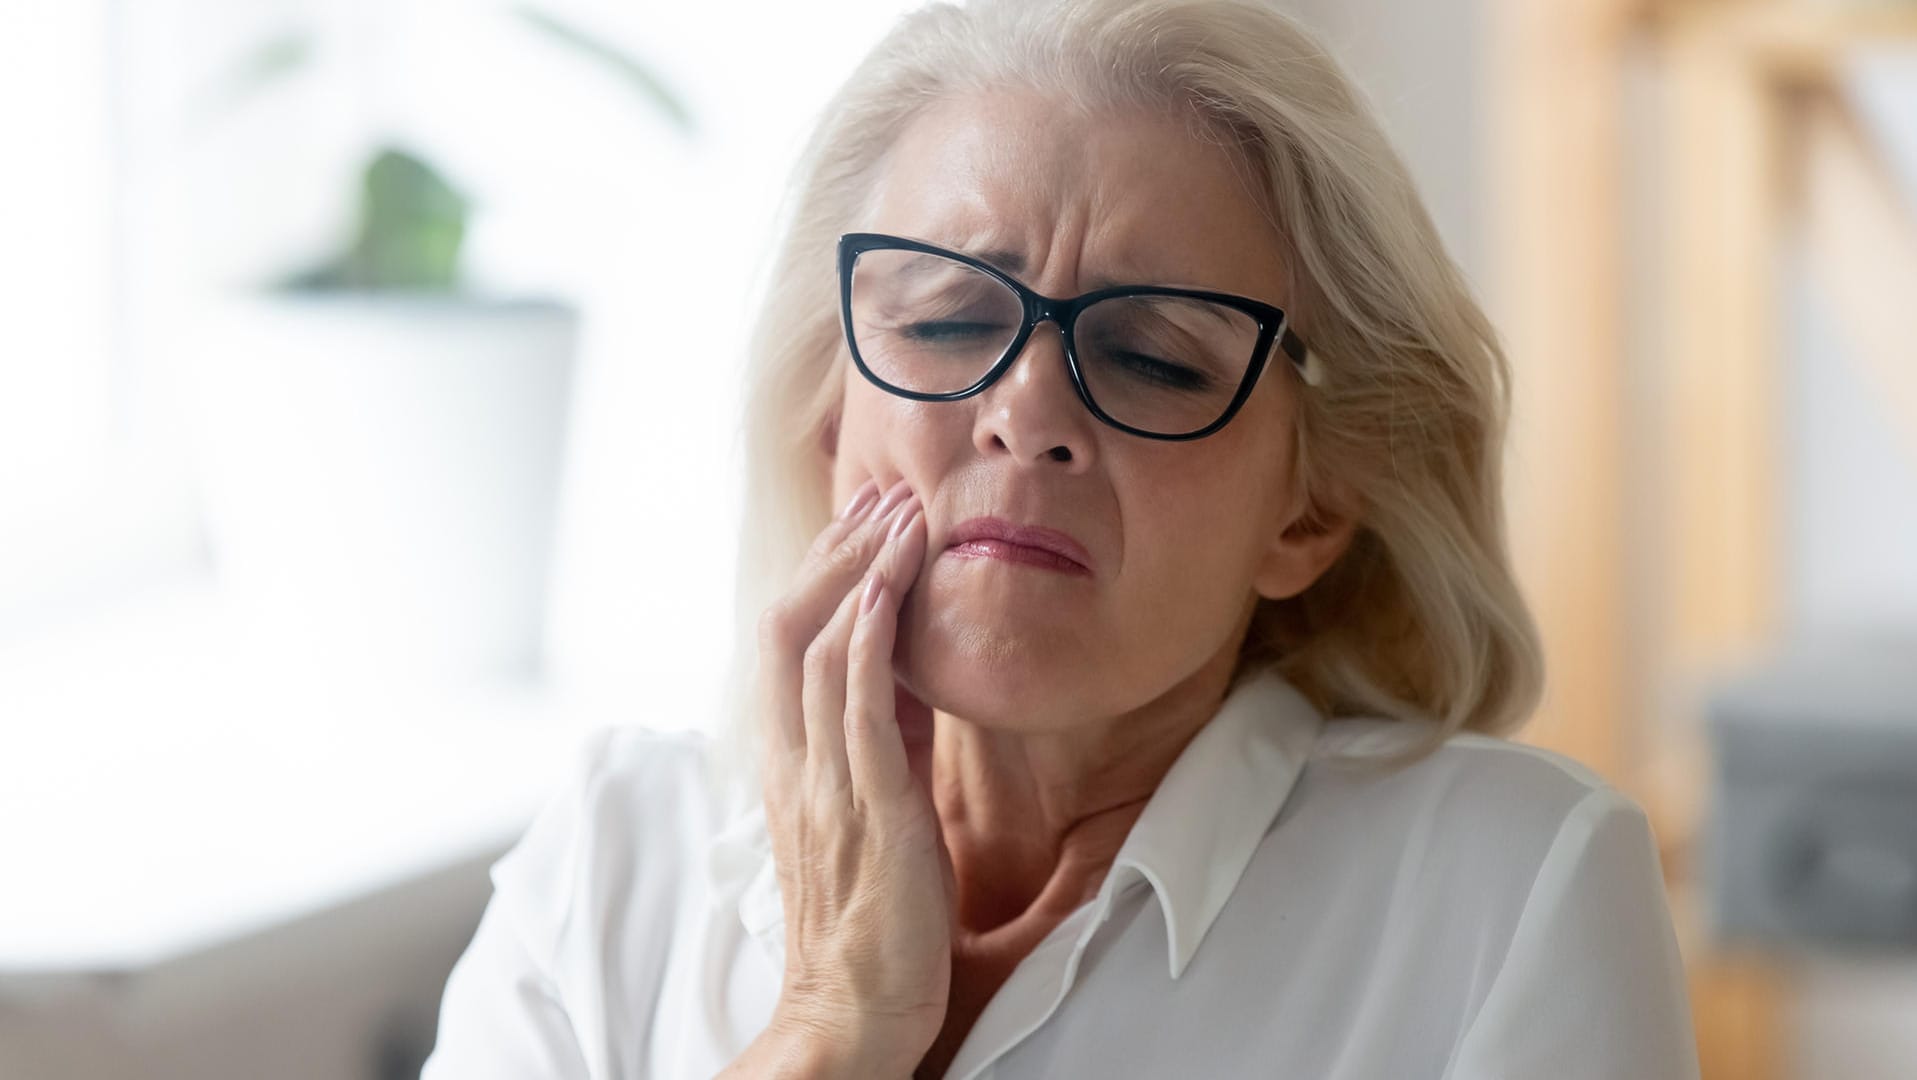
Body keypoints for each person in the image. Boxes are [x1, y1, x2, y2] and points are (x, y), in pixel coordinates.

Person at [421, 0, 1701, 1076]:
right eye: (941, 324)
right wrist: (831, 1028)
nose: (1026, 412)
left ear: (1307, 511)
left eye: (1151, 356)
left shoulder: (1509, 889)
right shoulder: (610, 859)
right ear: (830, 423)